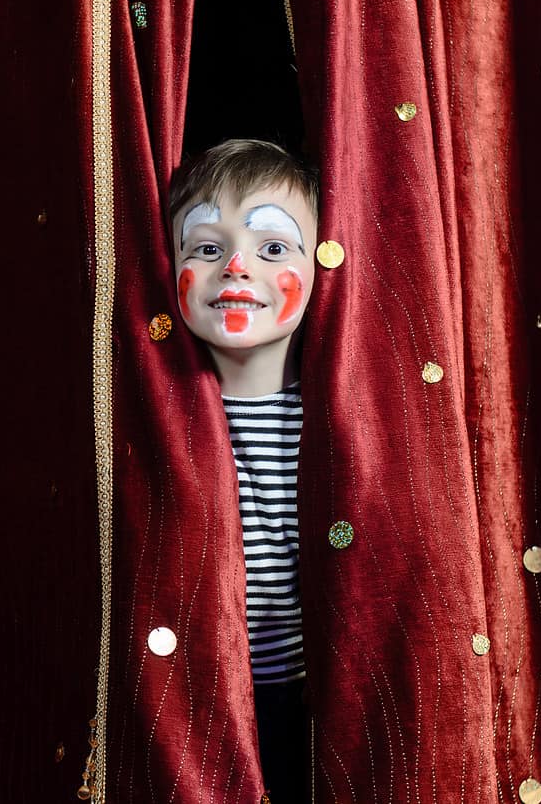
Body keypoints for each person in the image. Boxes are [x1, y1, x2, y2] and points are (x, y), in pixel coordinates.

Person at [166, 138, 320, 800]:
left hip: (308, 709)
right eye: (205, 247)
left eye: (273, 248)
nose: (236, 265)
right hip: (192, 711)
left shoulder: (345, 423)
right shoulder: (153, 418)